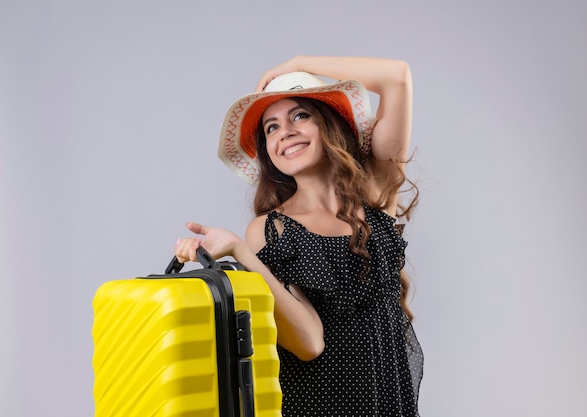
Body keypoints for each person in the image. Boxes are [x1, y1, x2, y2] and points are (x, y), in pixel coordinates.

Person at [175, 55, 423, 416]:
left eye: (300, 115)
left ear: (329, 124)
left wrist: (299, 62)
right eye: (271, 127)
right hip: (317, 404)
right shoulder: (271, 230)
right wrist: (240, 251)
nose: (285, 131)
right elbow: (308, 343)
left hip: (389, 403)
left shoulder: (375, 194)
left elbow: (397, 77)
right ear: (267, 150)